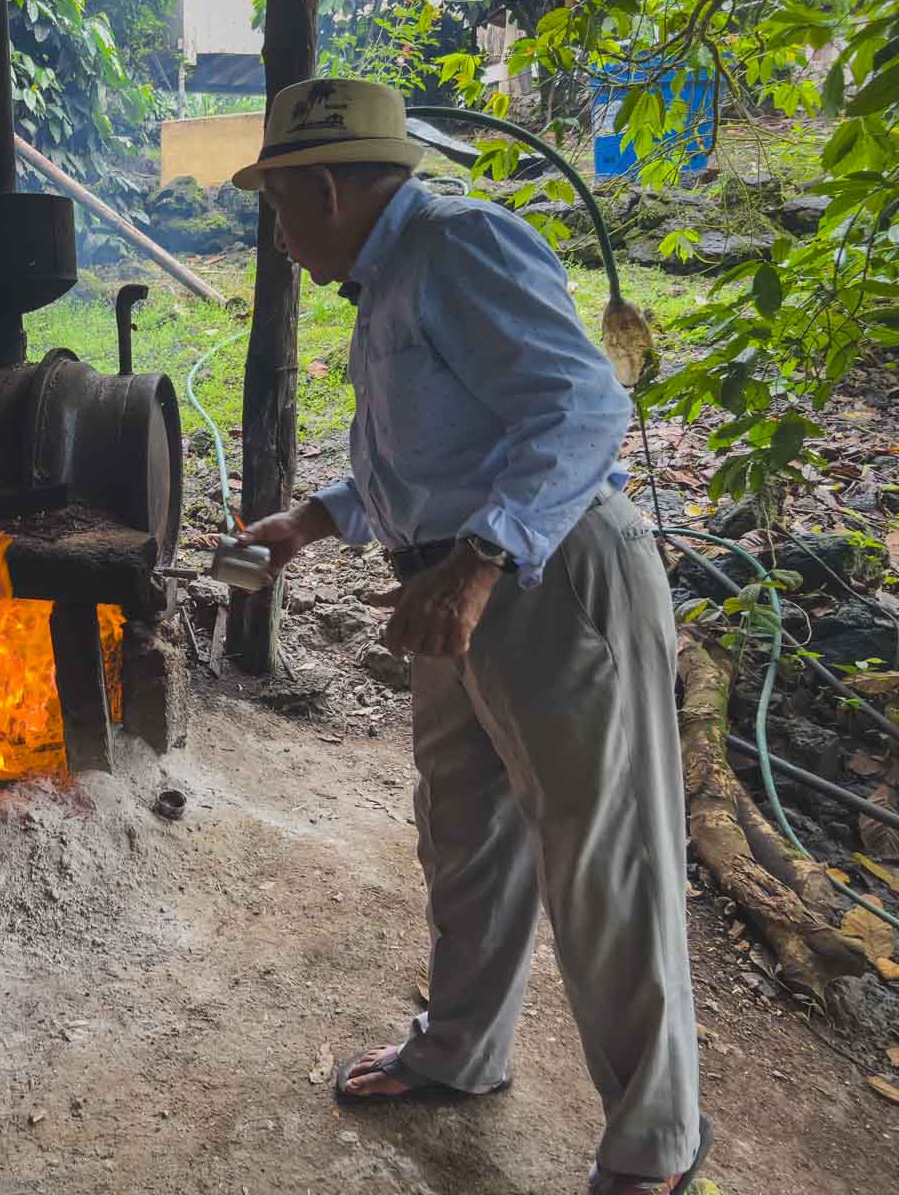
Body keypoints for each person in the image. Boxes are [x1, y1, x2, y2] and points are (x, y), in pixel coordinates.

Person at [230, 79, 711, 1195]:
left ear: (335, 185)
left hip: (547, 580)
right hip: (455, 583)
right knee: (466, 833)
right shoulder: (388, 276)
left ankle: (657, 1145)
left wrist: (482, 561)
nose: (279, 234)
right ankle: (459, 1051)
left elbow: (582, 408)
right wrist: (312, 519)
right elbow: (424, 449)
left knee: (603, 862)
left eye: (280, 207)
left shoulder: (458, 244)